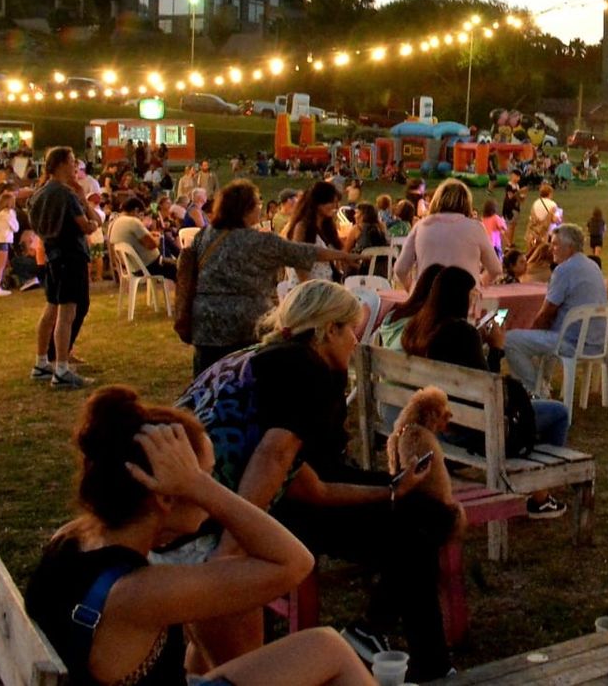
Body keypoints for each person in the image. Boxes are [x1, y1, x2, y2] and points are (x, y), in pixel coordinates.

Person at [176, 281, 462, 677]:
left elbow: (304, 481)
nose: (355, 342)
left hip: (171, 514)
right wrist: (231, 546)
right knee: (427, 520)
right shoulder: (309, 370)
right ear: (329, 329)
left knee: (210, 661)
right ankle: (390, 640)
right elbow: (274, 457)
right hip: (211, 518)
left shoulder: (252, 358)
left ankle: (397, 644)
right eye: (352, 331)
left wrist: (391, 490)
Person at [24, 387, 373, 686]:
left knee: (324, 646)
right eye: (206, 476)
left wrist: (193, 482)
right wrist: (199, 487)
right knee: (332, 649)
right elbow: (295, 563)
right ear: (164, 496)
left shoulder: (72, 539)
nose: (214, 487)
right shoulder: (140, 594)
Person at [400, 265, 571, 519]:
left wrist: (477, 342)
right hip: (471, 429)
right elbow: (490, 390)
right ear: (460, 297)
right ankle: (539, 495)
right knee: (558, 412)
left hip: (436, 424)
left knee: (540, 410)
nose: (474, 299)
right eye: (472, 294)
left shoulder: (418, 328)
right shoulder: (460, 333)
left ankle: (534, 489)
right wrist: (496, 348)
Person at [186, 180, 360, 375]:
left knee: (206, 380)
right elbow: (304, 252)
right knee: (244, 381)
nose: (259, 209)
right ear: (246, 209)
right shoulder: (259, 241)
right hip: (247, 324)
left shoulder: (204, 236)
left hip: (204, 323)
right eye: (257, 204)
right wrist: (344, 256)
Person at [503, 223, 608, 392]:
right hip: (597, 341)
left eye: (555, 244)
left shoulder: (564, 270)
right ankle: (540, 383)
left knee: (510, 340)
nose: (551, 248)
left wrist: (532, 331)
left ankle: (536, 390)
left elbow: (547, 312)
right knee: (544, 334)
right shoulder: (593, 266)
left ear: (570, 247)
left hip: (571, 342)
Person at [29, 146, 99, 389]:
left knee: (51, 309)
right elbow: (89, 226)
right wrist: (83, 203)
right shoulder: (65, 195)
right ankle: (61, 369)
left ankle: (40, 363)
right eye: (72, 161)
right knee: (67, 313)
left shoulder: (39, 193)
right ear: (60, 164)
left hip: (50, 255)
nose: (76, 166)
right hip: (71, 256)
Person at [393, 179, 501, 288]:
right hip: (464, 299)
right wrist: (481, 282)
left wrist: (413, 291)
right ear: (467, 202)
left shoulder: (420, 227)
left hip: (428, 299)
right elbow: (495, 269)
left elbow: (400, 270)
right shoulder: (476, 228)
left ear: (436, 200)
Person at [284, 181, 345, 282]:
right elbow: (298, 260)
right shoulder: (302, 227)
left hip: (326, 286)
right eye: (332, 202)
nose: (336, 206)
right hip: (308, 287)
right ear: (319, 203)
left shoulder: (327, 228)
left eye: (336, 202)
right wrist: (309, 287)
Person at [108, 195, 178, 280]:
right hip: (150, 265)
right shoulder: (132, 222)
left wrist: (150, 235)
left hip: (134, 267)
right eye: (140, 215)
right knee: (183, 268)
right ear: (136, 210)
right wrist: (158, 239)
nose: (141, 218)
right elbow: (152, 245)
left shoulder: (115, 223)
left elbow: (135, 239)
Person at [523, 182, 561, 269]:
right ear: (550, 193)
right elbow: (556, 220)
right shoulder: (552, 205)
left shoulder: (535, 203)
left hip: (533, 232)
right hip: (545, 232)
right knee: (544, 253)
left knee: (532, 252)